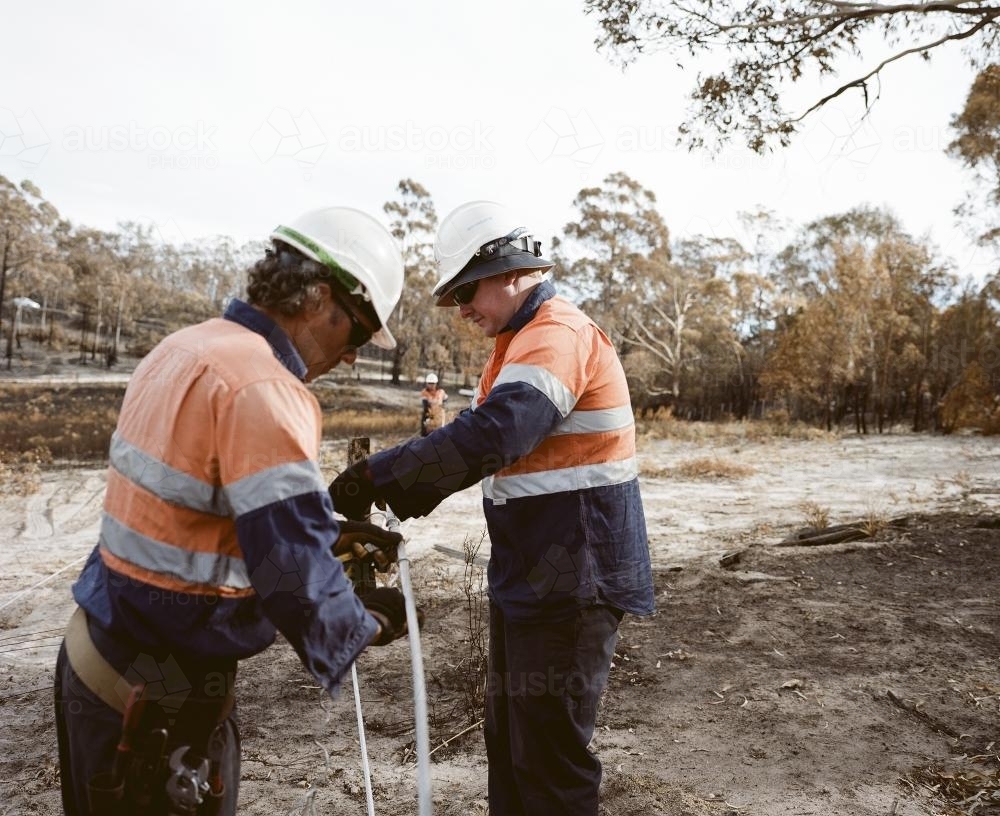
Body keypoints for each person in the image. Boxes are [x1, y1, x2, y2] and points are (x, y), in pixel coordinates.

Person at [54, 207, 417, 816]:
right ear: (319, 296)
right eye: (356, 332)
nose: (353, 355)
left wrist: (325, 532)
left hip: (98, 668)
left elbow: (203, 511)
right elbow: (289, 569)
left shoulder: (183, 347)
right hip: (156, 708)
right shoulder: (266, 388)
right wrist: (362, 623)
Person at [330, 200, 655, 815]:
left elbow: (497, 434)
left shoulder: (556, 334)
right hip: (533, 577)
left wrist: (377, 476)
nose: (460, 308)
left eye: (466, 290)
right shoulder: (516, 343)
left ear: (508, 270)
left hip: (574, 580)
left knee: (550, 761)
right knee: (511, 745)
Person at [419, 372, 449, 436]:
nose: (431, 385)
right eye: (429, 383)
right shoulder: (424, 392)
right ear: (427, 383)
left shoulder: (441, 392)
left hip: (439, 417)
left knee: (440, 435)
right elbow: (426, 406)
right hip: (429, 415)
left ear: (436, 383)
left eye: (433, 383)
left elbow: (445, 401)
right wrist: (429, 417)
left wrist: (442, 408)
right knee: (426, 435)